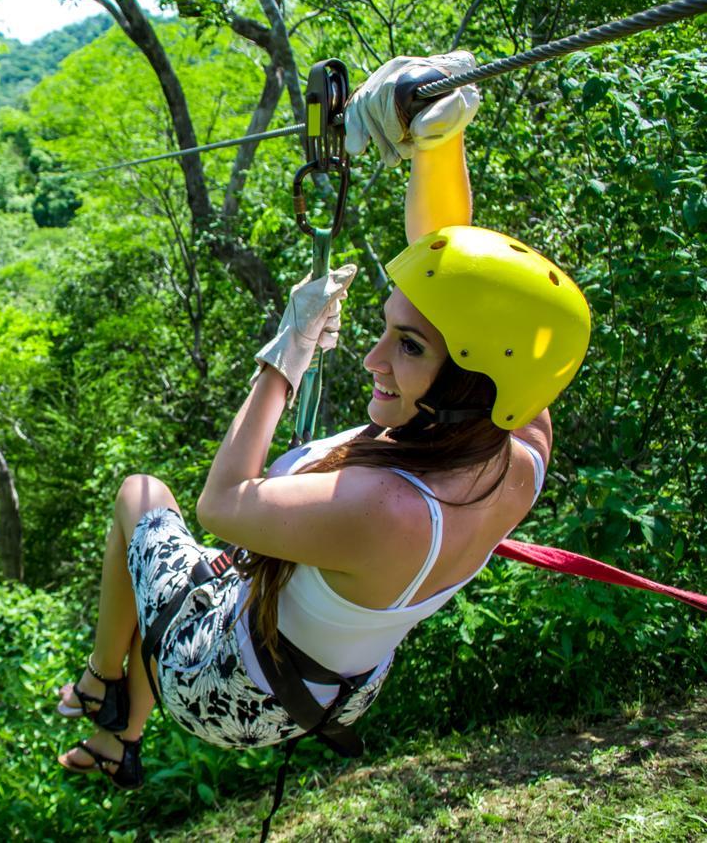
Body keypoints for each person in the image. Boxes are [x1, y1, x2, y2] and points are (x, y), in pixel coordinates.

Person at [53, 52, 592, 787]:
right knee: (183, 584)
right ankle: (120, 726)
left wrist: (285, 355)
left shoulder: (386, 508)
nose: (373, 359)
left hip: (226, 687)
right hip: (333, 683)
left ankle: (101, 685)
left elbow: (221, 505)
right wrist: (437, 144)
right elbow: (453, 278)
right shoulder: (520, 443)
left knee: (141, 497)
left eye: (406, 347)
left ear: (467, 381)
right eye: (388, 330)